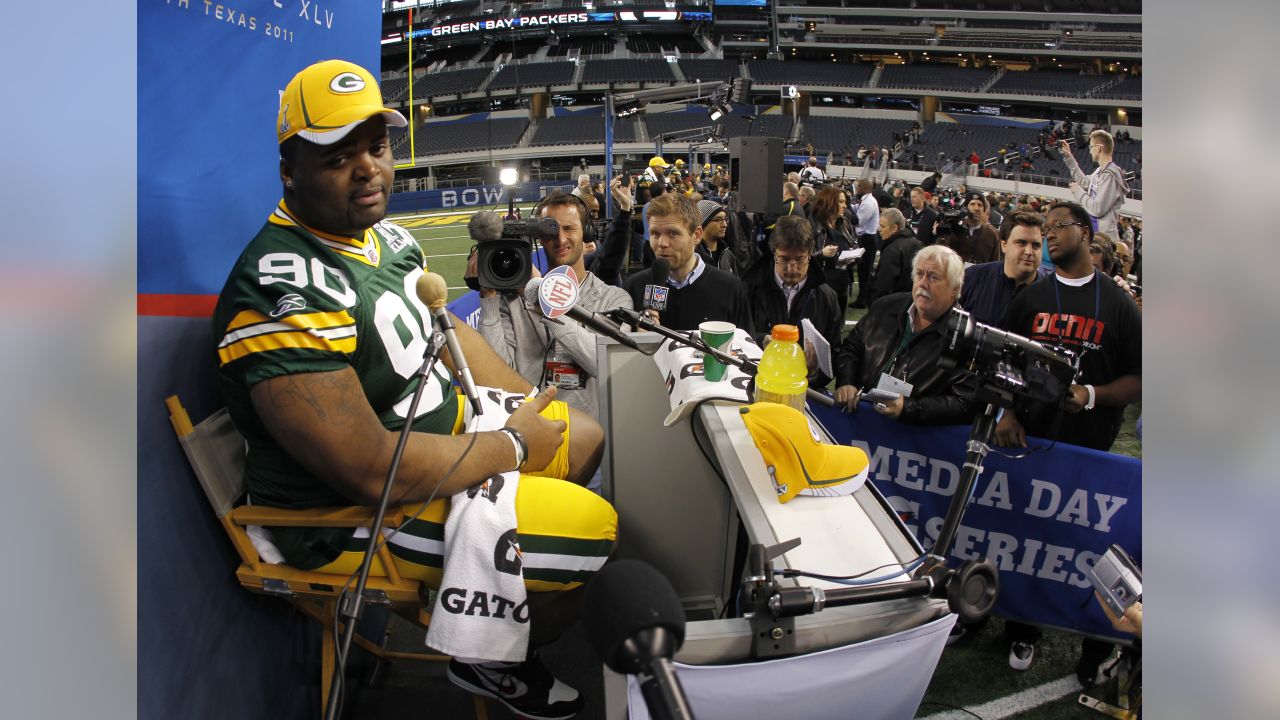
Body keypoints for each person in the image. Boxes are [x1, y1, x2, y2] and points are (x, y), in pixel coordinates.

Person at [211, 60, 614, 720]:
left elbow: (457, 342)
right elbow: (368, 468)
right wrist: (512, 446)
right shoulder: (280, 289)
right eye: (337, 156)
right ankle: (493, 655)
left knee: (587, 434)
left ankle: (494, 625)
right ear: (290, 170)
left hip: (442, 441)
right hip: (351, 513)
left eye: (375, 146)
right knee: (596, 533)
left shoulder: (385, 238)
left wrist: (525, 406)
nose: (367, 167)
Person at [996, 201, 1141, 685]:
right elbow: (1005, 365)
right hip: (1033, 445)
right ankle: (1023, 628)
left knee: (1086, 549)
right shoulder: (1031, 299)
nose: (1049, 237)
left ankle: (1096, 642)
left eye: (1059, 227)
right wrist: (1009, 410)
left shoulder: (1118, 303)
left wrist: (1094, 394)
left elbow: (1142, 377)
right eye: (1045, 229)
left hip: (1090, 452)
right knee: (1028, 542)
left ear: (1086, 231)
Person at [476, 192, 631, 419]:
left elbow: (604, 364)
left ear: (587, 232)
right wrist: (488, 293)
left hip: (589, 435)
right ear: (539, 237)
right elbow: (496, 371)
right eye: (550, 231)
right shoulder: (512, 301)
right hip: (530, 429)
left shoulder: (615, 299)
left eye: (569, 229)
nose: (560, 240)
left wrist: (544, 298)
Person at [832, 245, 976, 425]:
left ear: (955, 288)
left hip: (911, 441)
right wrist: (847, 382)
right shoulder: (884, 307)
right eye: (919, 274)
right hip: (860, 423)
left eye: (933, 277)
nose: (923, 283)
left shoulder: (966, 335)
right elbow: (851, 348)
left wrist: (909, 408)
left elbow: (965, 403)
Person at [622, 192, 754, 333]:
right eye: (655, 234)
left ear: (696, 235)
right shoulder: (634, 287)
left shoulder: (730, 289)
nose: (662, 243)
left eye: (673, 233)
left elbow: (745, 347)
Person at [742, 216, 843, 388]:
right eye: (785, 259)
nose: (792, 267)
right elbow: (736, 336)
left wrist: (813, 373)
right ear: (774, 253)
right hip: (755, 384)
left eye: (799, 259)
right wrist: (761, 340)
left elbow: (834, 353)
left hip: (803, 391)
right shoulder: (748, 288)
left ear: (810, 254)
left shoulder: (826, 297)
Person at [958, 210, 1045, 327]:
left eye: (1036, 245)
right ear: (1004, 245)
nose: (1029, 252)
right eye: (1021, 243)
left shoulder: (1050, 295)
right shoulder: (972, 277)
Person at [1060, 131, 1130, 243]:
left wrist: (1079, 193)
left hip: (1103, 238)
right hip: (1094, 233)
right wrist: (1069, 157)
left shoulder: (1110, 175)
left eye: (1091, 147)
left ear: (1098, 148)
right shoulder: (1099, 172)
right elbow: (1083, 181)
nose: (1089, 150)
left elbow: (1097, 209)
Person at [809, 185, 858, 311]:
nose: (845, 206)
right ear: (829, 202)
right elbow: (802, 256)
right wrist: (821, 254)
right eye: (841, 202)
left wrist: (854, 256)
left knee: (838, 325)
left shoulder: (845, 223)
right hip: (820, 284)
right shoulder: (812, 225)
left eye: (845, 202)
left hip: (843, 282)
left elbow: (854, 244)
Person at [869, 207, 922, 306]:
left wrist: (875, 305)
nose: (879, 230)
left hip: (893, 306)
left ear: (894, 228)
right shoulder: (918, 244)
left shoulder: (892, 250)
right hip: (913, 303)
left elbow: (884, 284)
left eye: (882, 226)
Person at [943, 193, 1000, 265]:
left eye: (980, 205)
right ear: (966, 207)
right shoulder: (954, 229)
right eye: (972, 204)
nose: (976, 208)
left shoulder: (991, 235)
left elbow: (994, 265)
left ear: (984, 210)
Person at [850, 179, 881, 308]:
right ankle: (863, 298)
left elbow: (858, 221)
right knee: (863, 270)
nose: (857, 189)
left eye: (859, 187)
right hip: (866, 238)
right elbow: (855, 209)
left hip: (868, 239)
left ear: (864, 188)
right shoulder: (865, 200)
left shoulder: (868, 203)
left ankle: (863, 300)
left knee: (864, 271)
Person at [693, 199, 744, 277]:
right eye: (718, 220)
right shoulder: (693, 256)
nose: (724, 225)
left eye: (725, 219)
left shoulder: (728, 254)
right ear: (702, 223)